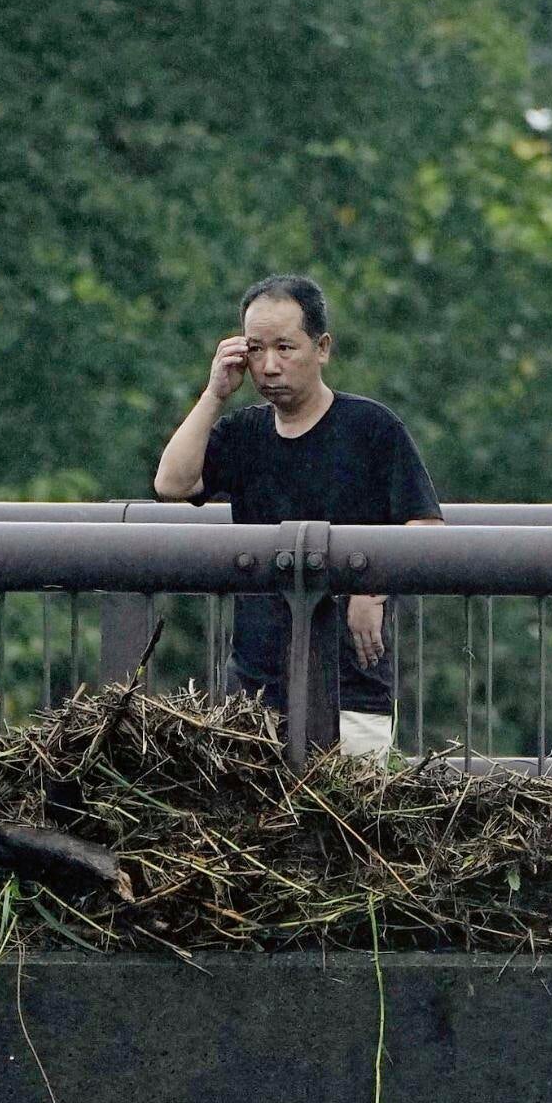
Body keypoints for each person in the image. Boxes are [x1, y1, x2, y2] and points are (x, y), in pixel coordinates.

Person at [153, 273, 439, 755]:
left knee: (348, 821)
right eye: (256, 349)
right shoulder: (243, 433)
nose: (269, 366)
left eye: (285, 348)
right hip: (253, 688)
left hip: (353, 684)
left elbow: (426, 526)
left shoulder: (372, 428)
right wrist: (215, 394)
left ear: (321, 348)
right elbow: (172, 484)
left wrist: (373, 588)